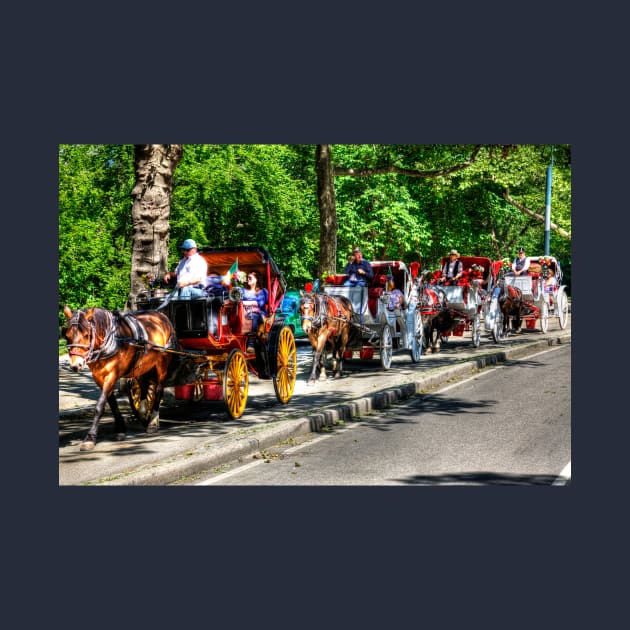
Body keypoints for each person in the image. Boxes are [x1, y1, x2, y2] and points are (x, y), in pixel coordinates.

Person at [240, 271, 268, 350]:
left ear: (256, 280)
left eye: (250, 278)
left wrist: (245, 303)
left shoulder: (262, 291)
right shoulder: (243, 290)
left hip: (258, 314)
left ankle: (251, 343)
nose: (248, 279)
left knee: (253, 315)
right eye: (247, 278)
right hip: (242, 312)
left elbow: (260, 304)